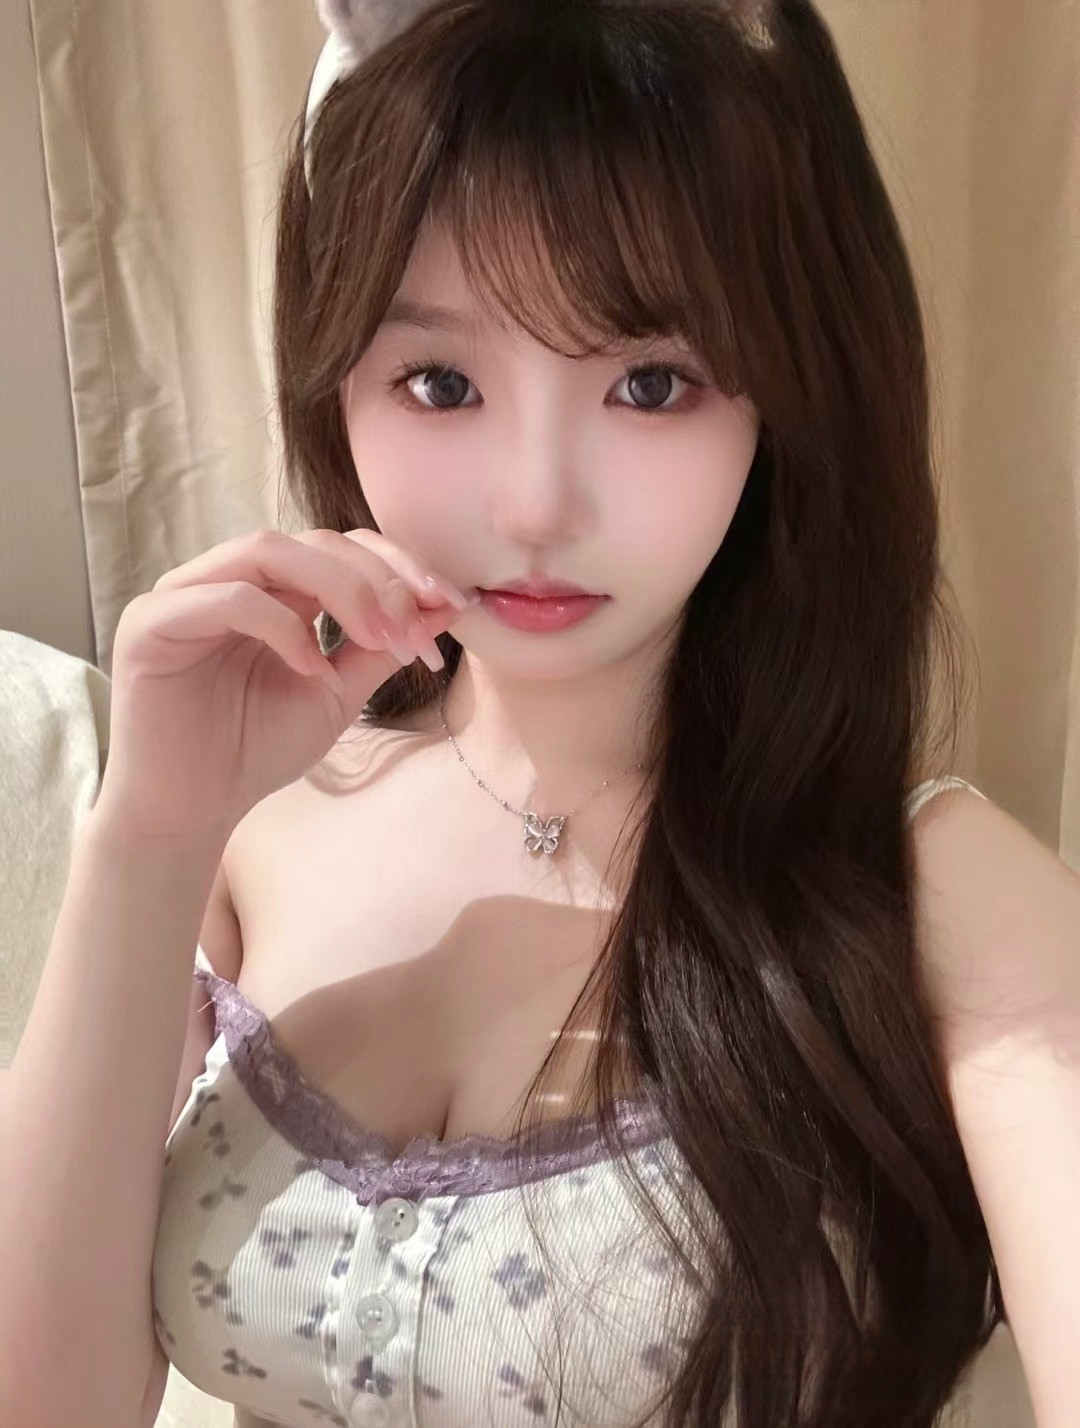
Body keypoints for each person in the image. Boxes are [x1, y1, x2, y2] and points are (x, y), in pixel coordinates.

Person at [6, 2, 1078, 1426]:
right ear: (338, 389)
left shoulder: (943, 897)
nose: (532, 503)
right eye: (441, 382)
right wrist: (146, 836)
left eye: (651, 383)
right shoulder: (248, 829)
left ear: (785, 403)